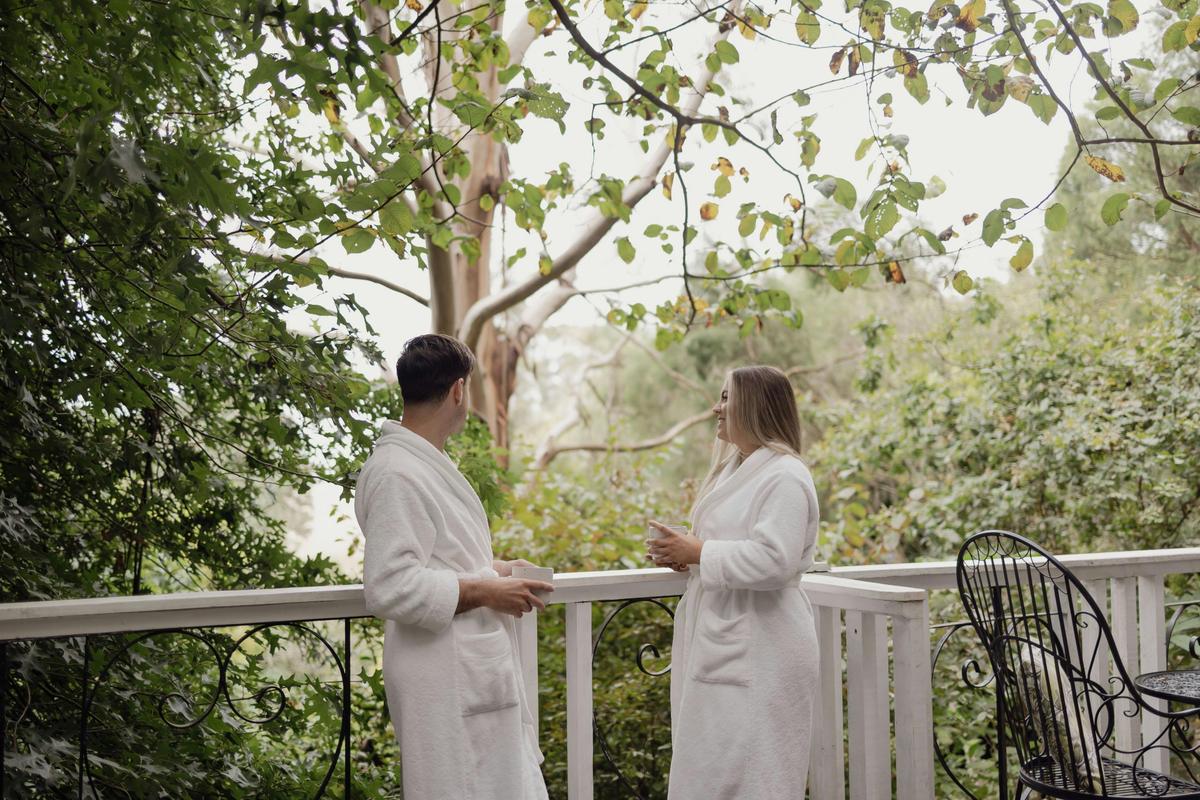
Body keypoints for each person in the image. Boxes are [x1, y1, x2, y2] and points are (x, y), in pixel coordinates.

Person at [355, 333, 552, 800]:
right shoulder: (397, 472)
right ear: (459, 390)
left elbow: (438, 558)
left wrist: (496, 571)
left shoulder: (424, 462)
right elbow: (389, 585)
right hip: (442, 670)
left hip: (464, 662)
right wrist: (485, 591)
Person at [647, 365, 820, 800]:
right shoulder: (737, 470)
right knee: (714, 770)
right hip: (727, 640)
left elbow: (775, 559)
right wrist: (684, 557)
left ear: (756, 405)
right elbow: (729, 547)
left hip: (763, 647)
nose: (716, 408)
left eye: (726, 397)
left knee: (755, 772)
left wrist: (701, 553)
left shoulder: (785, 476)